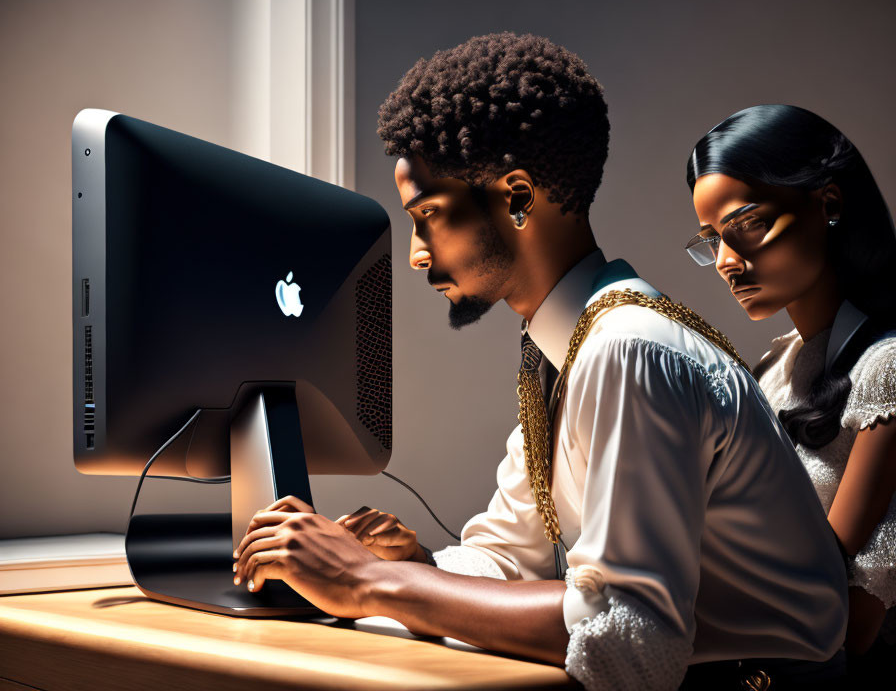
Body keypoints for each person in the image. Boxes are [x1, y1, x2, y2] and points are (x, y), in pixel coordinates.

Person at [233, 35, 848, 690]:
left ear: (519, 195)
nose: (418, 255)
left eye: (430, 218)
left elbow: (625, 637)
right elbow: (513, 555)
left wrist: (372, 582)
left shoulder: (627, 349)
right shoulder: (561, 348)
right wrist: (413, 563)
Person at [686, 103, 896, 679]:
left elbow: (850, 616)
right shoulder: (773, 363)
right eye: (711, 241)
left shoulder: (887, 366)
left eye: (748, 225)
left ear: (828, 203)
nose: (728, 262)